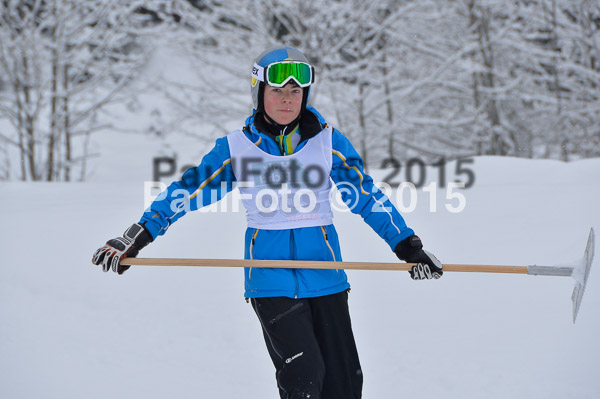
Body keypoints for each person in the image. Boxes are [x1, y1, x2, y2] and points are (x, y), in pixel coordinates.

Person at [92, 45, 443, 399]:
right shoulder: (237, 149)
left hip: (327, 277)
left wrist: (408, 246)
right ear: (259, 93)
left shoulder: (328, 142)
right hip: (269, 278)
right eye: (277, 91)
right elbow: (186, 191)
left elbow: (366, 197)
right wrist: (137, 235)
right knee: (304, 378)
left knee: (344, 386)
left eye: (296, 91)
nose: (288, 100)